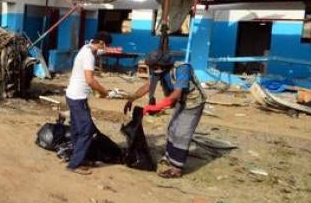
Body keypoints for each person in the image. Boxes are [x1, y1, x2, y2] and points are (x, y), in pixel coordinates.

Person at [124, 49, 206, 178]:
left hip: (193, 102)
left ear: (163, 64)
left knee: (182, 133)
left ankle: (177, 168)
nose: (153, 69)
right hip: (180, 101)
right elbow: (148, 86)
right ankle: (169, 157)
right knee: (172, 129)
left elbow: (177, 92)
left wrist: (157, 107)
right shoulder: (158, 71)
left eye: (155, 66)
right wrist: (131, 99)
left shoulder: (182, 69)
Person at [64, 31, 113, 174]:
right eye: (106, 45)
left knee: (76, 129)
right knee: (86, 130)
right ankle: (74, 165)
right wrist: (105, 92)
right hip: (78, 98)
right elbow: (90, 80)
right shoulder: (88, 56)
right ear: (101, 43)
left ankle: (77, 158)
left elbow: (97, 51)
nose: (106, 48)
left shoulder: (86, 48)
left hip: (72, 95)